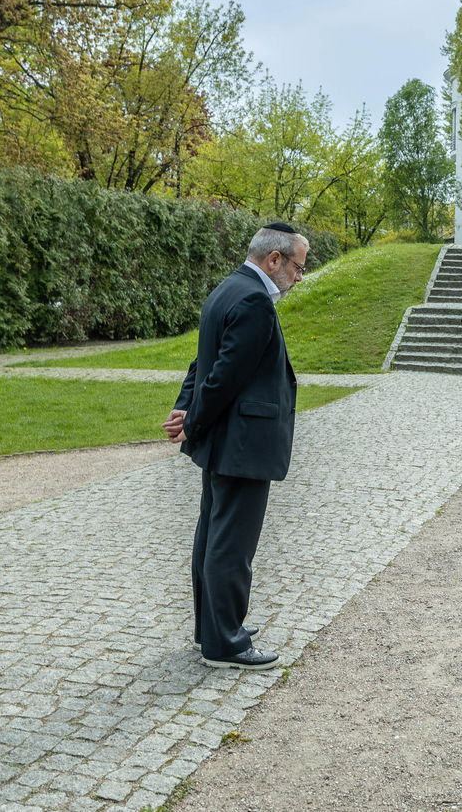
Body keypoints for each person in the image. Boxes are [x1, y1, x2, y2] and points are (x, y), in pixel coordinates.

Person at [162, 223, 308, 669]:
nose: (299, 278)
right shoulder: (253, 300)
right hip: (242, 444)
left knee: (213, 535)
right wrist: (196, 420)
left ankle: (212, 627)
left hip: (226, 441)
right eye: (299, 267)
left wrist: (186, 409)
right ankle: (225, 642)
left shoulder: (227, 288)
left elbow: (201, 363)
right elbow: (223, 375)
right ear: (275, 259)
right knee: (231, 545)